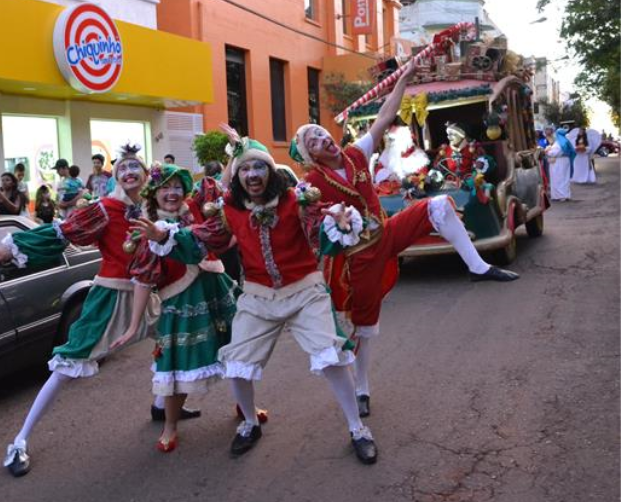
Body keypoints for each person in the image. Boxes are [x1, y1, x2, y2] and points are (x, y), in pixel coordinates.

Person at [290, 62, 518, 420]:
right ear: (311, 155)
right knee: (364, 326)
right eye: (314, 142)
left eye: (321, 133)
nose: (323, 140)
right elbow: (308, 218)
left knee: (440, 204)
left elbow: (385, 115)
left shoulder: (356, 153)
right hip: (358, 256)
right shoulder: (312, 184)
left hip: (387, 232)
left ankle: (478, 266)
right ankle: (362, 388)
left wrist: (405, 80)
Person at [137, 129, 379, 464]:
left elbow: (319, 234)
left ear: (271, 171)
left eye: (259, 167)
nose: (252, 174)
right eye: (245, 169)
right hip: (258, 296)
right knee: (237, 362)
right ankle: (250, 423)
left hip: (304, 290)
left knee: (332, 356)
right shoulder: (229, 210)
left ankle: (357, 428)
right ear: (237, 175)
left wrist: (340, 223)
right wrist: (164, 236)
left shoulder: (297, 200)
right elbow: (202, 239)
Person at [0, 144, 164, 478]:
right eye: (124, 168)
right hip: (110, 299)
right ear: (115, 176)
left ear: (146, 175)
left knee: (174, 336)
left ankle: (162, 403)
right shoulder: (104, 209)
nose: (130, 172)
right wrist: (7, 251)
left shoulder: (151, 209)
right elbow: (61, 232)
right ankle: (20, 440)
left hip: (147, 295)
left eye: (136, 167)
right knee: (66, 366)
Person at [115, 164, 238, 453]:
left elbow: (223, 188)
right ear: (154, 193)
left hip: (216, 290)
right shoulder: (147, 227)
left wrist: (235, 156)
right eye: (165, 188)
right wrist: (133, 326)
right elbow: (143, 280)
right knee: (177, 367)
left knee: (237, 353)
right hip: (181, 302)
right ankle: (170, 426)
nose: (172, 193)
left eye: (177, 187)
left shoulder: (195, 210)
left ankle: (246, 406)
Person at [546, 128, 575, 201]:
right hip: (565, 161)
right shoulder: (566, 141)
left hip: (558, 162)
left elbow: (554, 153)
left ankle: (560, 195)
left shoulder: (559, 143)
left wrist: (547, 151)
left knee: (558, 178)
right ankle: (565, 194)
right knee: (565, 178)